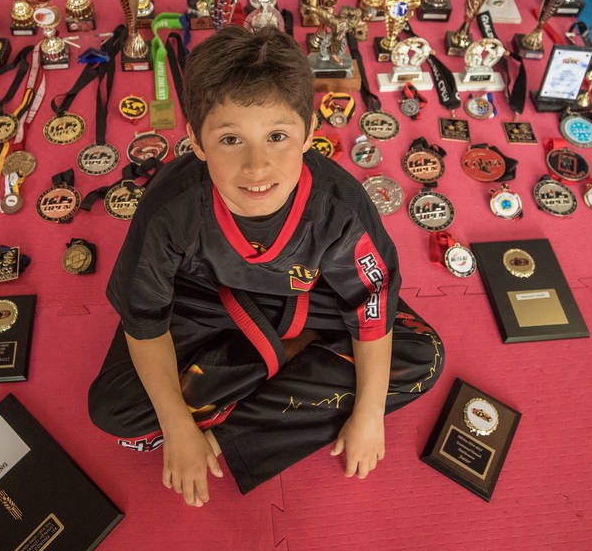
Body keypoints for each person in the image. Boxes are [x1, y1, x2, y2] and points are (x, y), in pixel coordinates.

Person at [88, 25, 444, 506]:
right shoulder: (170, 209)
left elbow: (371, 309)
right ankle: (293, 360)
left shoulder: (339, 208)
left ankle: (229, 424)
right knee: (113, 411)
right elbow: (145, 322)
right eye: (231, 139)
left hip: (310, 300)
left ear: (309, 134)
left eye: (277, 136)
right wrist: (175, 427)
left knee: (421, 358)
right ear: (196, 140)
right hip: (204, 304)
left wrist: (369, 414)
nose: (256, 167)